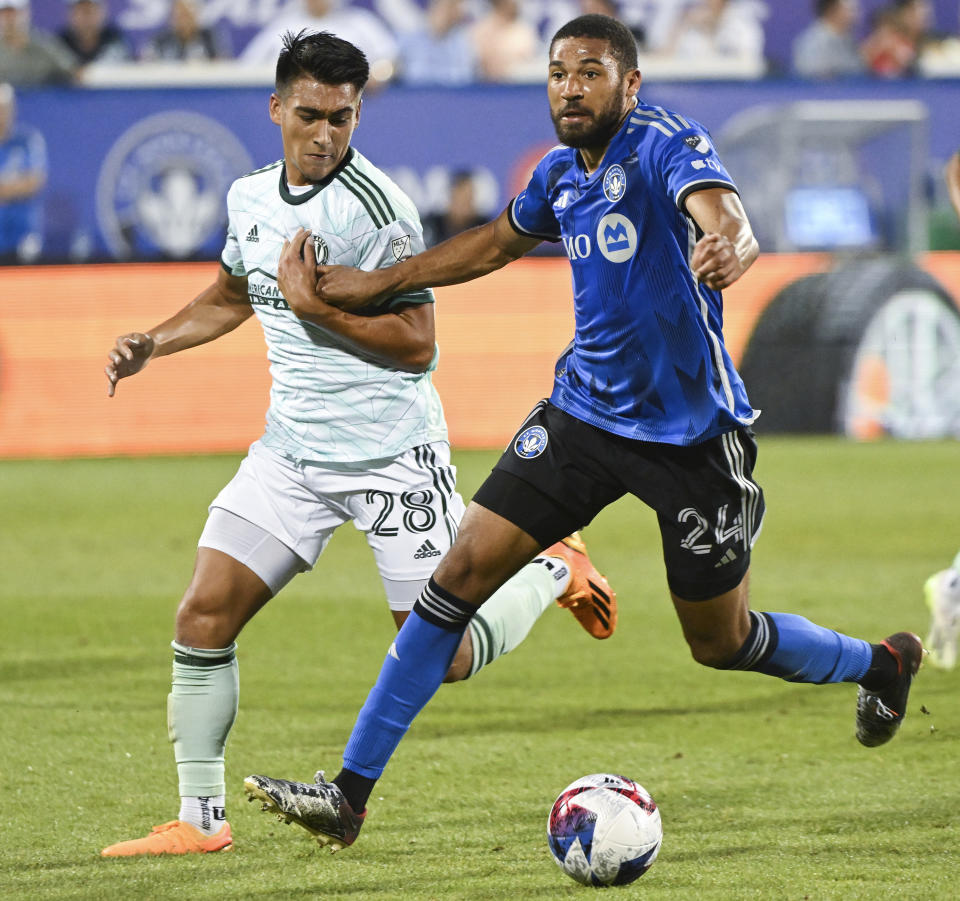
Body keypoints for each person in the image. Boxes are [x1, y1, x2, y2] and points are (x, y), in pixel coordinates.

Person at [242, 14, 924, 852]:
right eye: (559, 72)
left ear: (629, 85)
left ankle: (879, 662)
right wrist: (371, 285)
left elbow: (723, 211)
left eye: (590, 72)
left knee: (723, 640)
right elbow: (494, 244)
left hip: (693, 438)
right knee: (452, 577)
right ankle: (348, 796)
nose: (570, 86)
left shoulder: (666, 142)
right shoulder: (562, 173)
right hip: (582, 416)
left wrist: (730, 242)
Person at [98, 28, 616, 858]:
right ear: (276, 109)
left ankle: (554, 565)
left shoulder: (380, 212)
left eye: (342, 118)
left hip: (389, 457)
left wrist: (318, 311)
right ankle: (200, 820)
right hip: (291, 454)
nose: (326, 135)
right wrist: (152, 342)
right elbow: (231, 295)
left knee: (438, 656)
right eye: (310, 114)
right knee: (202, 614)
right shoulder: (248, 199)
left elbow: (418, 344)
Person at [239, 0, 398, 85]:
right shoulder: (282, 27)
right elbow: (247, 68)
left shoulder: (361, 23)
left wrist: (375, 76)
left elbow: (392, 62)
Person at [0, 80, 45, 261]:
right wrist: (13, 185)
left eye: (5, 109)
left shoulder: (27, 140)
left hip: (20, 231)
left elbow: (34, 182)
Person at [396, 0, 477, 86]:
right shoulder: (408, 39)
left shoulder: (463, 41)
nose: (460, 12)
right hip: (414, 97)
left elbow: (464, 77)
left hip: (450, 97)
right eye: (449, 5)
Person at [0, 0, 76, 86]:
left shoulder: (44, 44)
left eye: (14, 12)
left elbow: (74, 72)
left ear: (27, 13)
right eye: (4, 13)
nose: (9, 19)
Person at [792, 0, 866, 79]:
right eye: (851, 10)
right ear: (832, 11)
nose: (857, 15)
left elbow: (857, 69)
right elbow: (811, 77)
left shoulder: (848, 39)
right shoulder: (811, 42)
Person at [140, 0, 230, 62]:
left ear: (196, 15)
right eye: (179, 14)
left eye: (187, 14)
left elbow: (222, 62)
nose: (183, 20)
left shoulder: (208, 37)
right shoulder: (163, 39)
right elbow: (147, 58)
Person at [421, 170, 487, 247]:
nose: (464, 207)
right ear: (451, 198)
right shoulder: (431, 226)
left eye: (468, 199)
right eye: (461, 199)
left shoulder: (484, 228)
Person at [57, 0, 132, 66]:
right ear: (70, 13)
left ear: (102, 12)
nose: (85, 17)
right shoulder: (59, 43)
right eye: (80, 10)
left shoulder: (116, 40)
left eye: (90, 10)